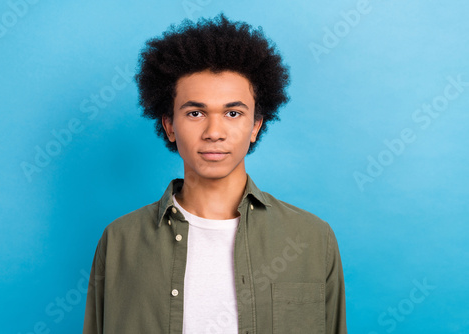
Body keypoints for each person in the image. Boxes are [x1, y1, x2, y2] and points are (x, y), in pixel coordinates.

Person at [82, 13, 347, 334]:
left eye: (233, 113)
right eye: (195, 113)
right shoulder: (120, 241)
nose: (214, 132)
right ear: (169, 125)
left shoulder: (311, 239)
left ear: (255, 126)